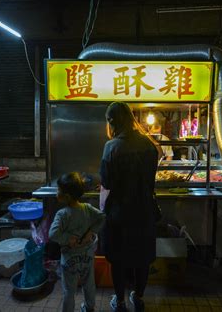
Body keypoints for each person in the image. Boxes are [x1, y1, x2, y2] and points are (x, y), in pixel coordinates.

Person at [100, 102, 159, 312]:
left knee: (118, 258)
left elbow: (106, 182)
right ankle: (139, 297)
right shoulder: (149, 145)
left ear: (112, 121)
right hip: (144, 211)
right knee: (142, 257)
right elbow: (152, 179)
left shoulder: (111, 147)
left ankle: (120, 301)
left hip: (120, 213)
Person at [48, 172, 105, 312]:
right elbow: (103, 217)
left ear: (66, 196)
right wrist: (92, 232)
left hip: (69, 259)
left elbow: (52, 234)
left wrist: (68, 238)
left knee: (69, 290)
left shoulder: (62, 214)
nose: (56, 193)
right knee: (89, 285)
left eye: (58, 190)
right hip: (87, 257)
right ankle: (89, 307)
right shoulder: (87, 208)